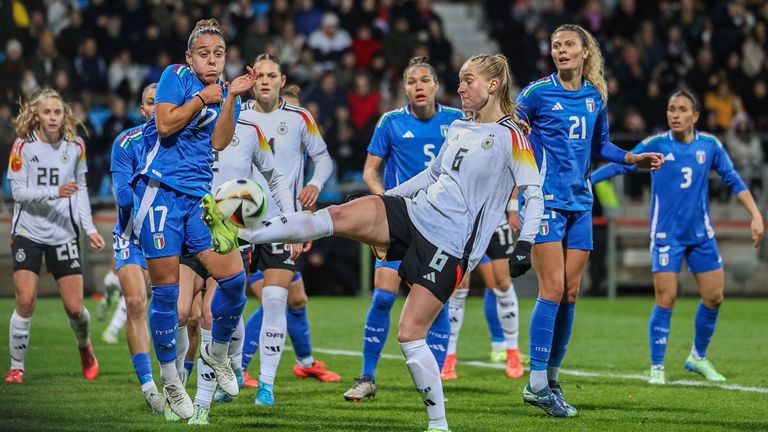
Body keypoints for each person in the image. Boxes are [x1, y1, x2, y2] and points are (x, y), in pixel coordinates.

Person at [225, 53, 545, 432]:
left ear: (493, 85)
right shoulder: (459, 126)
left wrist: (526, 242)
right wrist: (388, 200)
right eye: (459, 80)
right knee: (340, 215)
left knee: (410, 335)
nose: (460, 87)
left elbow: (534, 193)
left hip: (450, 244)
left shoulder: (512, 136)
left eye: (468, 80)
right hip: (416, 213)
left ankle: (438, 423)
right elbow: (432, 174)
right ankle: (244, 233)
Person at [515, 23, 663, 418]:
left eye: (568, 45)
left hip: (581, 202)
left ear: (585, 52)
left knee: (571, 291)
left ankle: (552, 379)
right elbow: (508, 131)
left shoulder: (595, 96)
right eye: (556, 45)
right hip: (545, 201)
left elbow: (601, 146)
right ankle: (535, 383)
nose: (561, 50)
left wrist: (632, 158)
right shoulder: (535, 93)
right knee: (552, 287)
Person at [590, 90, 763, 385]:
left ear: (695, 116)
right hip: (666, 236)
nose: (675, 114)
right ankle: (657, 367)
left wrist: (755, 214)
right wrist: (587, 181)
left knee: (714, 297)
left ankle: (697, 356)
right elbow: (623, 164)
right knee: (666, 298)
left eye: (682, 109)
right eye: (671, 109)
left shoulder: (710, 145)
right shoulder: (657, 144)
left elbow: (733, 178)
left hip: (700, 235)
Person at [132, 18, 257, 419]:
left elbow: (219, 141)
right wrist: (204, 98)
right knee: (168, 297)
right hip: (162, 195)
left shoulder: (220, 91)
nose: (213, 61)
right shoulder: (175, 77)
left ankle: (217, 352)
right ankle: (171, 380)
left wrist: (231, 97)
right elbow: (165, 124)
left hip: (200, 199)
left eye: (219, 54)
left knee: (236, 281)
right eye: (204, 54)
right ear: (190, 57)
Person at [343, 56, 461, 402]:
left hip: (440, 224)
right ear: (404, 88)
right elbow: (370, 171)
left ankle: (433, 379)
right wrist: (384, 203)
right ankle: (367, 377)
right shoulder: (391, 122)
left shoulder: (457, 121)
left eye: (424, 80)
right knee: (382, 296)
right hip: (401, 221)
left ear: (437, 85)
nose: (418, 87)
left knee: (434, 302)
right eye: (411, 82)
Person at [178, 78, 295, 425]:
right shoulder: (188, 123)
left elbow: (275, 177)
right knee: (182, 313)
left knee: (213, 314)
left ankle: (201, 404)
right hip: (189, 228)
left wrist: (288, 220)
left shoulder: (250, 130)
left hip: (232, 234)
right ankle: (176, 384)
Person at [234, 53, 337, 407]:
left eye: (271, 75)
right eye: (258, 74)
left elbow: (323, 158)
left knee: (280, 300)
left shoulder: (299, 118)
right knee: (226, 304)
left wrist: (315, 185)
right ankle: (229, 368)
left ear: (282, 79)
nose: (264, 80)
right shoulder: (236, 115)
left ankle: (266, 385)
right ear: (251, 78)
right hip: (238, 224)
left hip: (282, 224)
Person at [6, 88, 106, 384]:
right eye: (47, 112)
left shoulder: (75, 147)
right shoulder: (22, 146)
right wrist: (55, 192)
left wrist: (88, 229)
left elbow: (82, 190)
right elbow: (18, 193)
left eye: (57, 112)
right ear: (36, 114)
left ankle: (85, 348)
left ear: (64, 115)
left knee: (75, 308)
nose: (52, 117)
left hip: (63, 233)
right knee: (25, 301)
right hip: (28, 232)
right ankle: (16, 366)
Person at [108, 82, 165, 413]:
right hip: (132, 235)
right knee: (135, 301)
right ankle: (148, 385)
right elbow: (122, 194)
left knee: (182, 311)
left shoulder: (182, 141)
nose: (156, 107)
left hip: (169, 235)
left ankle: (175, 376)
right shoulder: (126, 142)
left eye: (162, 101)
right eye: (149, 102)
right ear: (142, 109)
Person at [441, 211, 526, 380]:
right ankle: (449, 356)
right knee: (459, 285)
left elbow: (516, 183)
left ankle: (512, 352)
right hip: (463, 221)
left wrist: (514, 209)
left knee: (502, 283)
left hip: (497, 222)